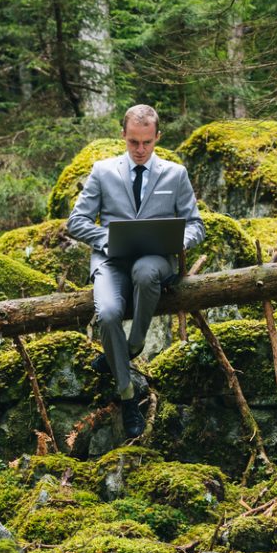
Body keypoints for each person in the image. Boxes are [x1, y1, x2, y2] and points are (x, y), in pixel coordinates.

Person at [67, 104, 205, 437]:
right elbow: (76, 222)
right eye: (133, 143)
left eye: (146, 142)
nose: (140, 150)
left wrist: (177, 242)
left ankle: (131, 347)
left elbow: (196, 225)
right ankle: (127, 394)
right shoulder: (102, 171)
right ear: (123, 137)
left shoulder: (175, 174)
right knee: (109, 313)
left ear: (157, 137)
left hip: (155, 260)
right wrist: (108, 239)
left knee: (145, 271)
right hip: (111, 260)